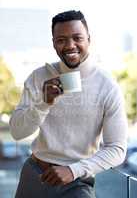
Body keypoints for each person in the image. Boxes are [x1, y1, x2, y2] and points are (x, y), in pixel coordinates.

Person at [10, 10, 128, 198]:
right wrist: (43, 104)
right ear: (54, 43)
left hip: (77, 182)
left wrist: (74, 170)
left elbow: (117, 148)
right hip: (34, 174)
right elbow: (17, 132)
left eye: (77, 38)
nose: (70, 45)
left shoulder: (108, 86)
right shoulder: (38, 77)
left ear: (89, 39)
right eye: (61, 39)